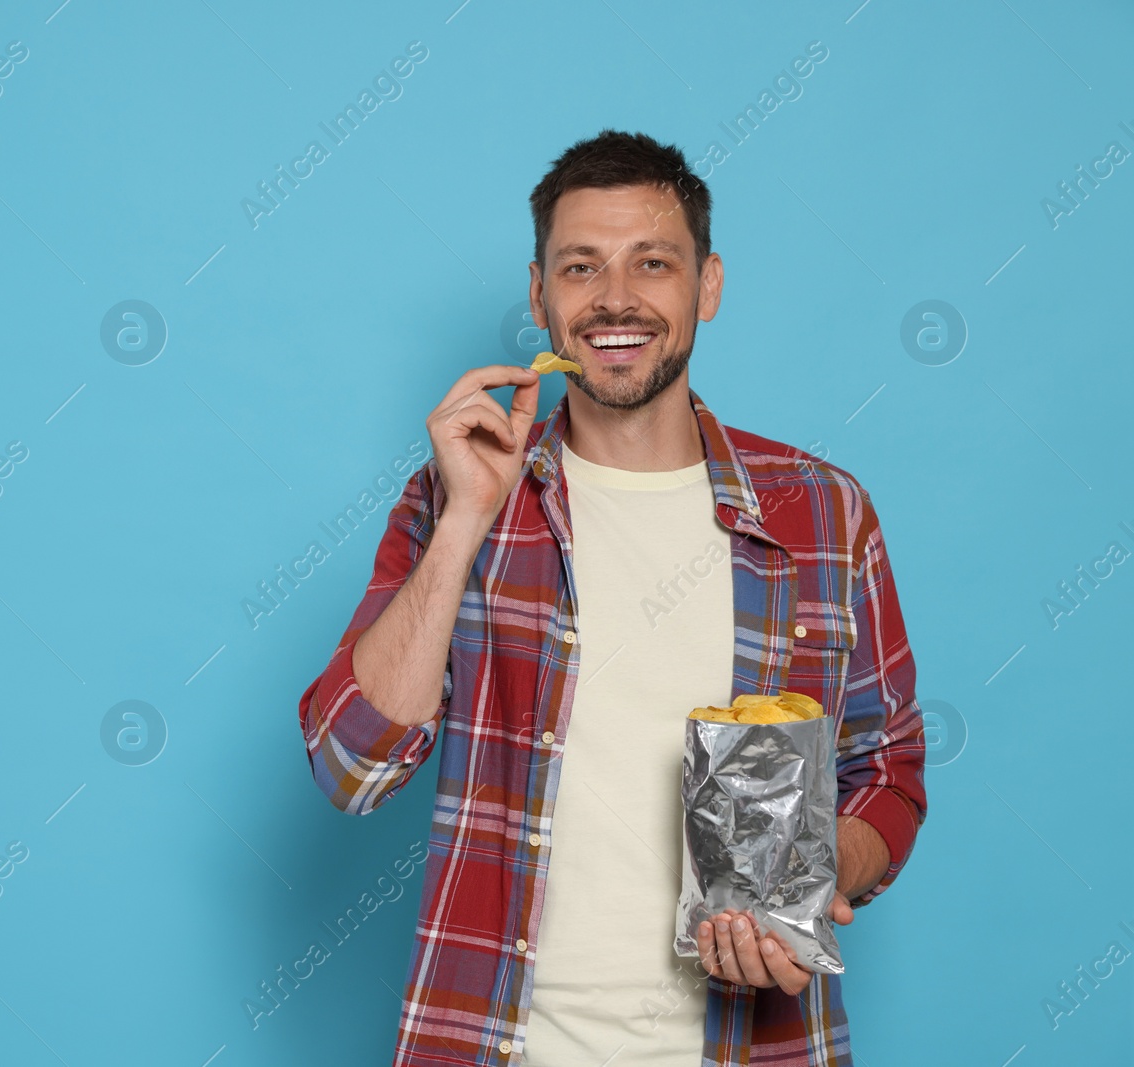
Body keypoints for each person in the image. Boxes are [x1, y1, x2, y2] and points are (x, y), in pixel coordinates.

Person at [296, 130, 927, 1066]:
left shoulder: (821, 511)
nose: (616, 299)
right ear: (540, 293)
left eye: (653, 263)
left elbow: (890, 766)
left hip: (752, 1045)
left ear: (707, 285)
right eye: (581, 266)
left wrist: (813, 871)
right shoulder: (456, 495)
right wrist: (467, 519)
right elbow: (353, 767)